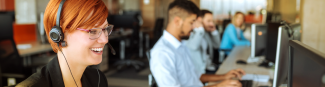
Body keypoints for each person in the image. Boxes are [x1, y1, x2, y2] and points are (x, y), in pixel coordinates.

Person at [17, 0, 112, 87]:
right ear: (61, 33)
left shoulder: (98, 79)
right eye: (93, 31)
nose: (104, 40)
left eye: (105, 29)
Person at [150, 1, 244, 87]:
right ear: (177, 21)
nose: (194, 27)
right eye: (191, 22)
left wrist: (224, 76)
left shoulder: (181, 44)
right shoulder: (162, 53)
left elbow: (195, 76)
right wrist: (219, 86)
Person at [185, 10, 220, 74]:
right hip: (199, 72)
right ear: (199, 20)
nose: (211, 24)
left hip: (209, 67)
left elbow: (217, 45)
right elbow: (193, 47)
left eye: (212, 21)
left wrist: (214, 32)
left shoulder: (206, 33)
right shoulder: (192, 32)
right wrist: (200, 29)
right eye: (209, 21)